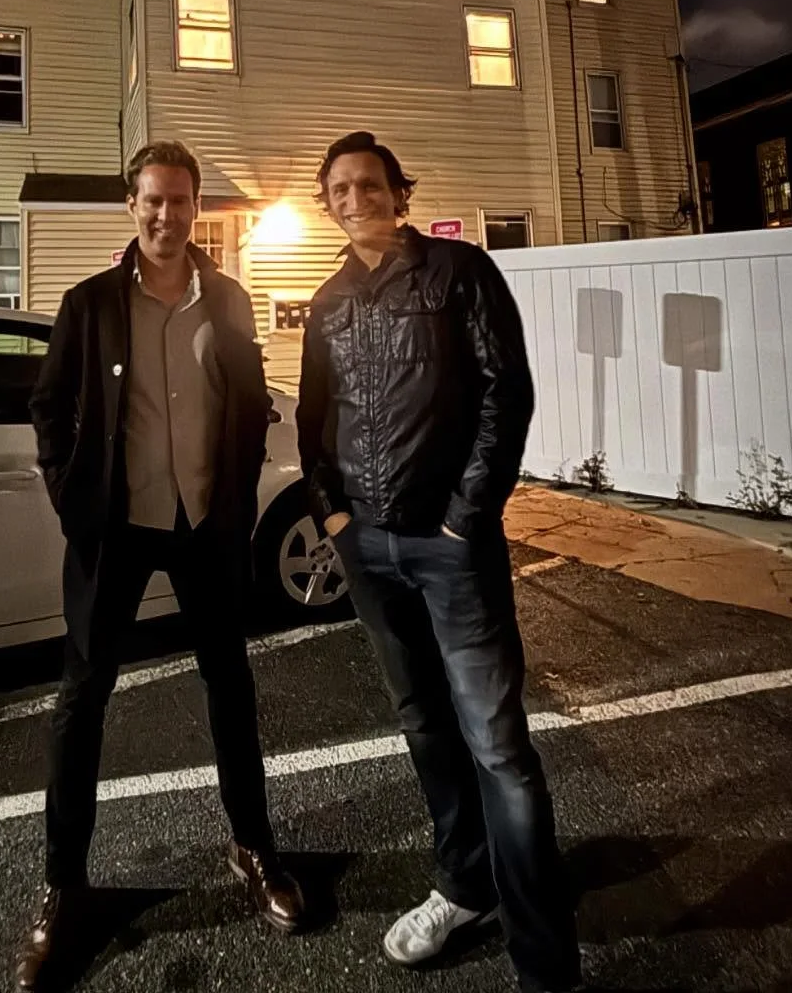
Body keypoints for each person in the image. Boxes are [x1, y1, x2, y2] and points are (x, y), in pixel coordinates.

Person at [16, 140, 305, 990]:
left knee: (231, 685)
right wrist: (73, 499)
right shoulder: (91, 303)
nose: (166, 216)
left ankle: (253, 848)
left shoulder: (229, 299)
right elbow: (49, 409)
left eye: (179, 201)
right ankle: (64, 888)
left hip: (203, 525)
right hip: (117, 528)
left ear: (195, 204)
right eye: (152, 201)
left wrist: (236, 495)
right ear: (131, 204)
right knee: (83, 698)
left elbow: (250, 406)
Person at [297, 130, 581, 993]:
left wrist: (466, 517)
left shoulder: (461, 274)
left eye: (370, 184)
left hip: (451, 549)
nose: (356, 199)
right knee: (423, 724)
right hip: (370, 552)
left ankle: (545, 960)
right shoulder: (328, 300)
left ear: (398, 192)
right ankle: (463, 885)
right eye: (340, 189)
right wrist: (337, 518)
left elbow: (506, 392)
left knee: (497, 746)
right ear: (330, 203)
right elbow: (314, 421)